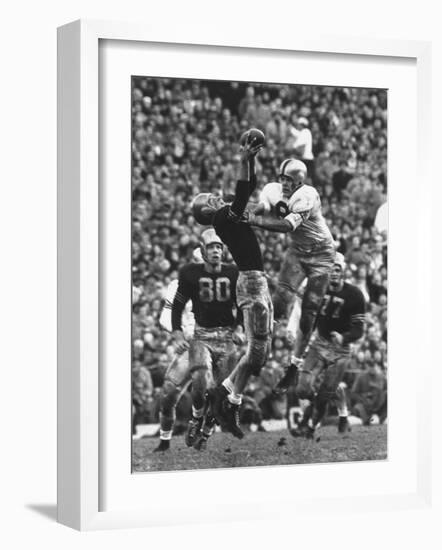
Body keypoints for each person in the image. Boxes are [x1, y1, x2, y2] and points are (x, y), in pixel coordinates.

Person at [191, 132, 273, 439]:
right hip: (251, 282)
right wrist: (245, 159)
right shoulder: (223, 217)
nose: (215, 196)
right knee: (256, 354)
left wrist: (251, 161)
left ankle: (227, 396)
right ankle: (228, 401)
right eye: (210, 199)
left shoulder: (226, 217)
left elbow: (248, 191)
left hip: (257, 280)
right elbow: (243, 191)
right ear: (207, 211)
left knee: (260, 355)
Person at [244, 158, 335, 391]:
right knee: (281, 300)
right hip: (297, 251)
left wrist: (256, 222)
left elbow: (287, 226)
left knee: (308, 312)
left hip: (322, 254)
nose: (283, 183)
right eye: (282, 178)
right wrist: (251, 212)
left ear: (300, 180)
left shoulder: (307, 195)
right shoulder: (273, 189)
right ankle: (259, 348)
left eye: (289, 179)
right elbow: (262, 205)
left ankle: (294, 366)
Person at [154, 231, 239, 452]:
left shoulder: (225, 277)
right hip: (192, 341)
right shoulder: (180, 283)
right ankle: (165, 440)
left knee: (217, 392)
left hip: (219, 337)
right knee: (169, 391)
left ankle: (204, 434)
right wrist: (180, 332)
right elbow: (167, 314)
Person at [289, 253, 366, 438]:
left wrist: (344, 337)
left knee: (325, 393)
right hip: (319, 344)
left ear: (343, 271)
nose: (334, 273)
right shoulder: (317, 289)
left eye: (337, 269)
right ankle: (326, 411)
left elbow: (359, 330)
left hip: (341, 350)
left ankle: (311, 427)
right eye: (330, 269)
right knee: (302, 389)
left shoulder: (355, 295)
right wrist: (303, 339)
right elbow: (310, 318)